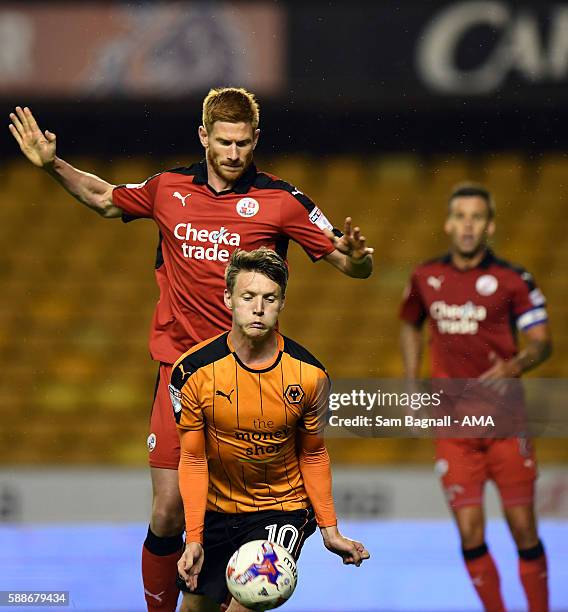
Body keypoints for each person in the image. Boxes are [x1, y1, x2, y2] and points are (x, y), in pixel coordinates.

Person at [8, 88, 374, 611]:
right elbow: (104, 198)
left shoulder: (281, 201)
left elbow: (350, 262)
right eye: (223, 142)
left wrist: (360, 258)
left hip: (250, 380)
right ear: (204, 136)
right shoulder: (168, 189)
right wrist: (52, 166)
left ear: (256, 140)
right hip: (179, 376)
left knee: (237, 517)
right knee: (167, 514)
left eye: (243, 144)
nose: (232, 154)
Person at [172, 247, 370, 612]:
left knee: (248, 601)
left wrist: (330, 531)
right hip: (217, 507)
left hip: (281, 508)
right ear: (228, 298)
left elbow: (313, 453)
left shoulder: (311, 376)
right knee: (194, 609)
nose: (258, 308)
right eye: (248, 297)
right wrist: (194, 538)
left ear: (282, 303)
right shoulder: (191, 372)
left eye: (270, 298)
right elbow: (193, 458)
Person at [399, 184, 552, 612]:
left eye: (476, 217)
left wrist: (516, 365)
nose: (468, 225)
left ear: (490, 226)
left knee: (523, 528)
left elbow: (542, 342)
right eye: (461, 216)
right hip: (453, 427)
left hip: (506, 424)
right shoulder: (425, 277)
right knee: (470, 532)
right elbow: (410, 322)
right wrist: (413, 382)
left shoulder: (513, 280)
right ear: (448, 224)